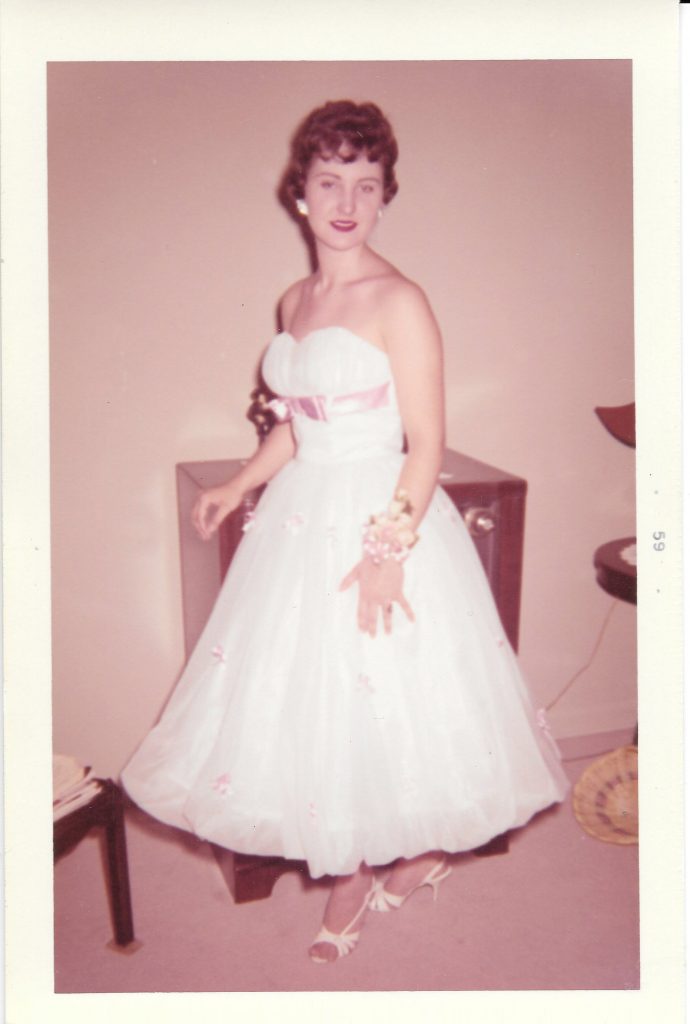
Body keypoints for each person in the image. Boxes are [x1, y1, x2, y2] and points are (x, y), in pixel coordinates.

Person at [121, 100, 569, 964]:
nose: (347, 201)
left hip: (380, 514)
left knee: (384, 696)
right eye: (331, 181)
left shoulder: (399, 299)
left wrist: (386, 555)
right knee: (315, 705)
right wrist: (236, 484)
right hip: (300, 514)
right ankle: (357, 868)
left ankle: (391, 861)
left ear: (384, 196)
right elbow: (298, 422)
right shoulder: (295, 297)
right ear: (301, 194)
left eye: (366, 185)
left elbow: (427, 443)